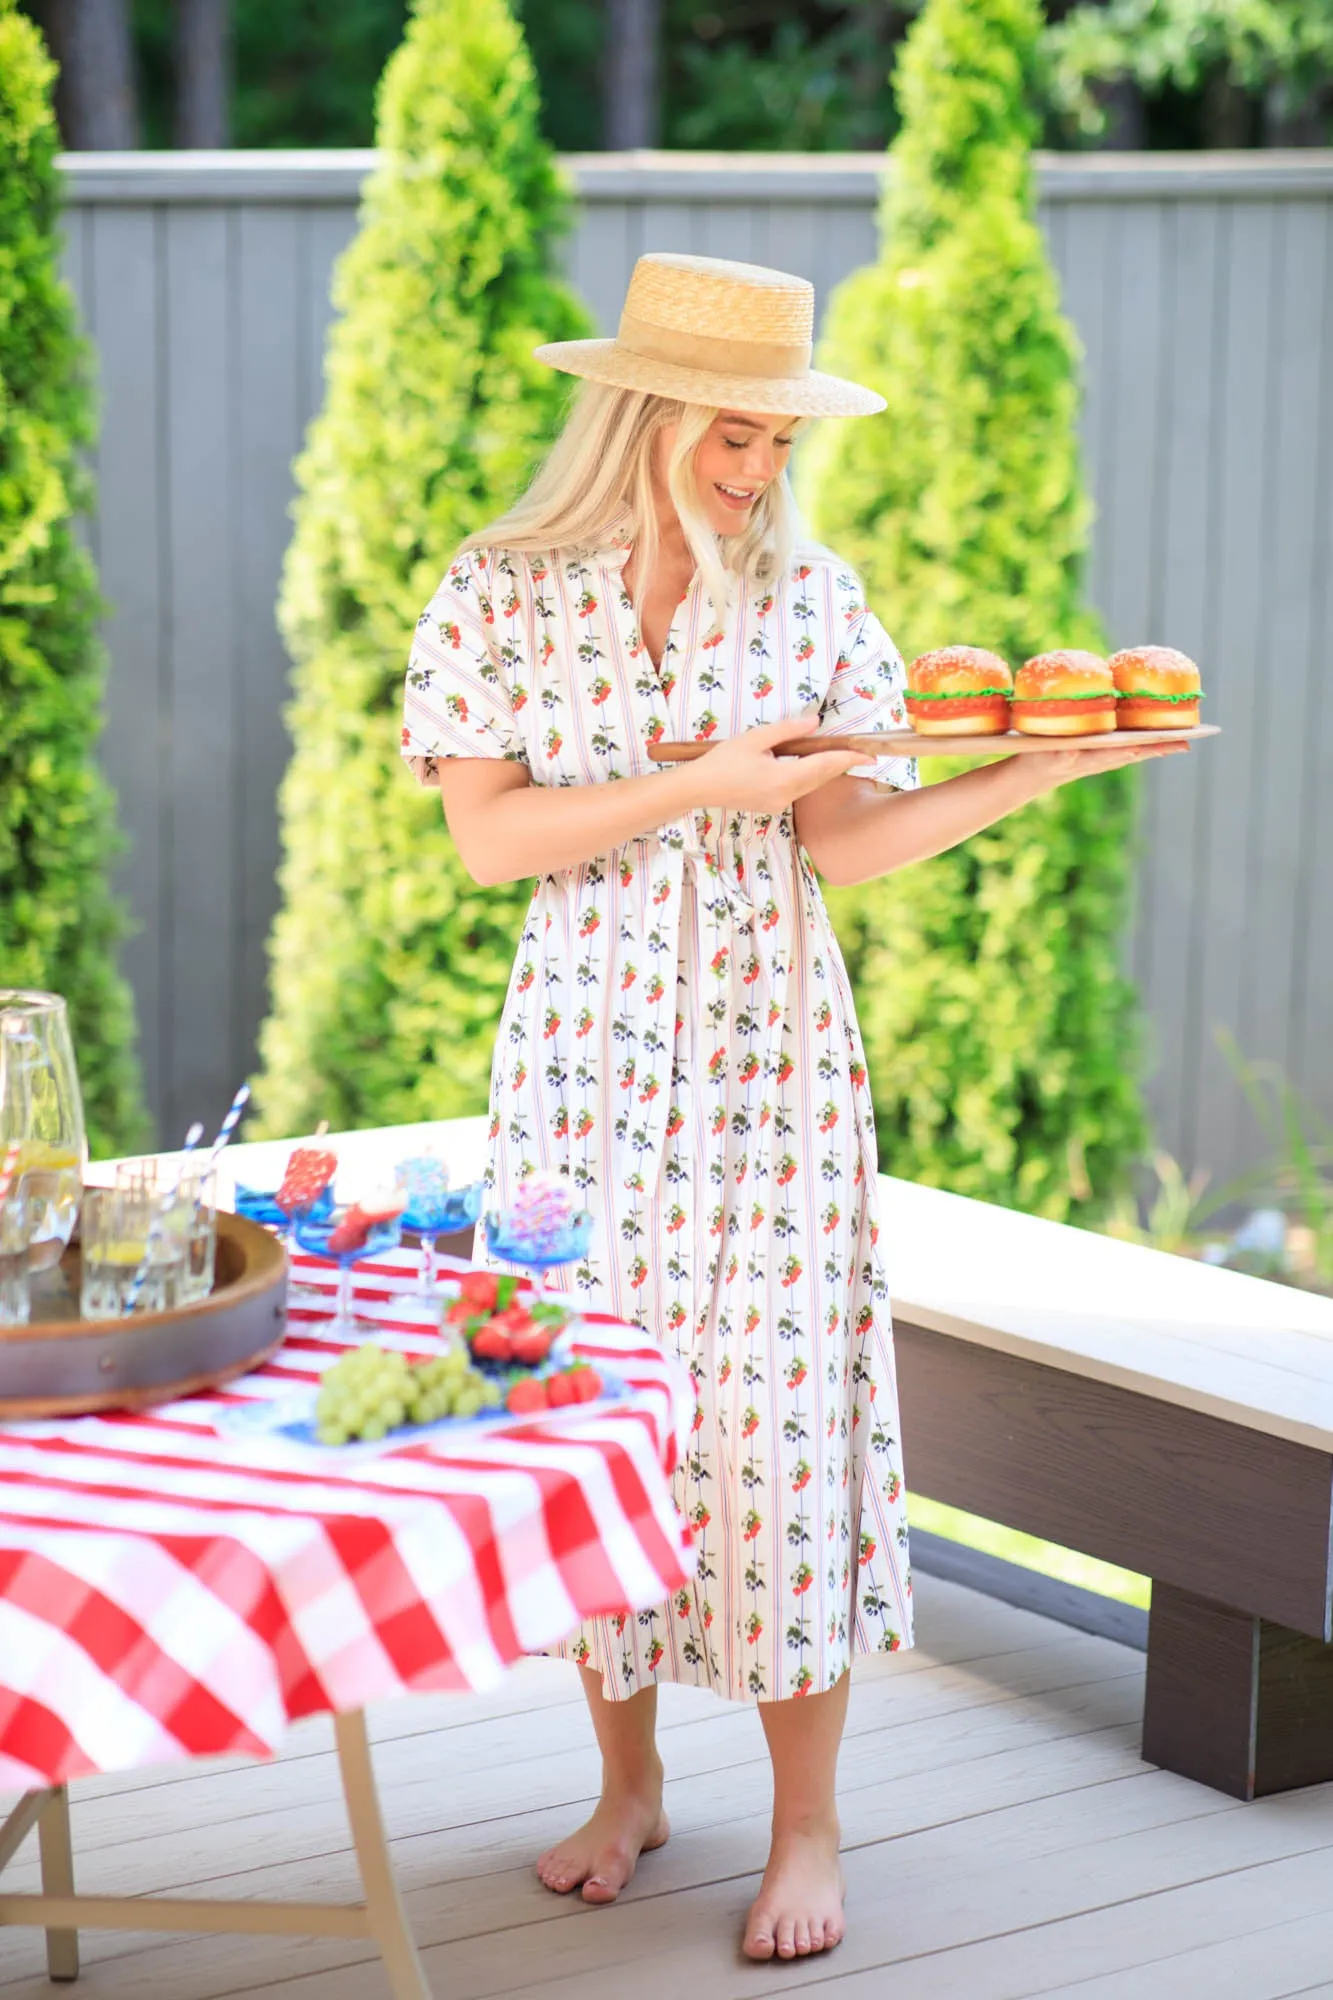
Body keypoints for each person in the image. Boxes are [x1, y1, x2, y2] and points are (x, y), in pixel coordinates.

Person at [400, 252, 1186, 1963]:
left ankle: (809, 1823)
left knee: (771, 1428)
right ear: (641, 411)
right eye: (729, 438)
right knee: (601, 1423)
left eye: (777, 444)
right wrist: (697, 780)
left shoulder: (815, 602)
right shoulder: (497, 592)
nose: (756, 475)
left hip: (772, 1069)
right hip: (583, 1065)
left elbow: (843, 842)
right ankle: (627, 1787)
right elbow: (489, 842)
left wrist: (1025, 773)